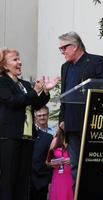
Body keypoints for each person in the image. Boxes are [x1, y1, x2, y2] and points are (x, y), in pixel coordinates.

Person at [0, 48, 59, 200]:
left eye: (19, 59)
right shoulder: (2, 82)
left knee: (23, 180)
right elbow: (13, 102)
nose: (19, 62)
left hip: (27, 138)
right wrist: (35, 90)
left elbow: (35, 104)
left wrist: (45, 91)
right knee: (9, 180)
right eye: (14, 59)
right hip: (10, 137)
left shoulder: (24, 84)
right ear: (5, 65)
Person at [58, 31, 103, 192]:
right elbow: (64, 96)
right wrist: (62, 119)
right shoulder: (65, 67)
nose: (62, 52)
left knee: (94, 165)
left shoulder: (96, 61)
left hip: (92, 123)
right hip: (72, 125)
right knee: (75, 166)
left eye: (63, 48)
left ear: (74, 46)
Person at [30, 106, 56, 200]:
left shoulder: (55, 133)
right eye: (39, 115)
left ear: (48, 115)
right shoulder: (31, 134)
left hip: (47, 176)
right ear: (35, 117)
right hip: (33, 177)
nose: (42, 117)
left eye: (44, 115)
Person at [47, 128, 74, 200]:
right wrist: (52, 163)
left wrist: (73, 160)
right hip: (58, 177)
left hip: (70, 177)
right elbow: (47, 162)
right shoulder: (55, 140)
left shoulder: (75, 140)